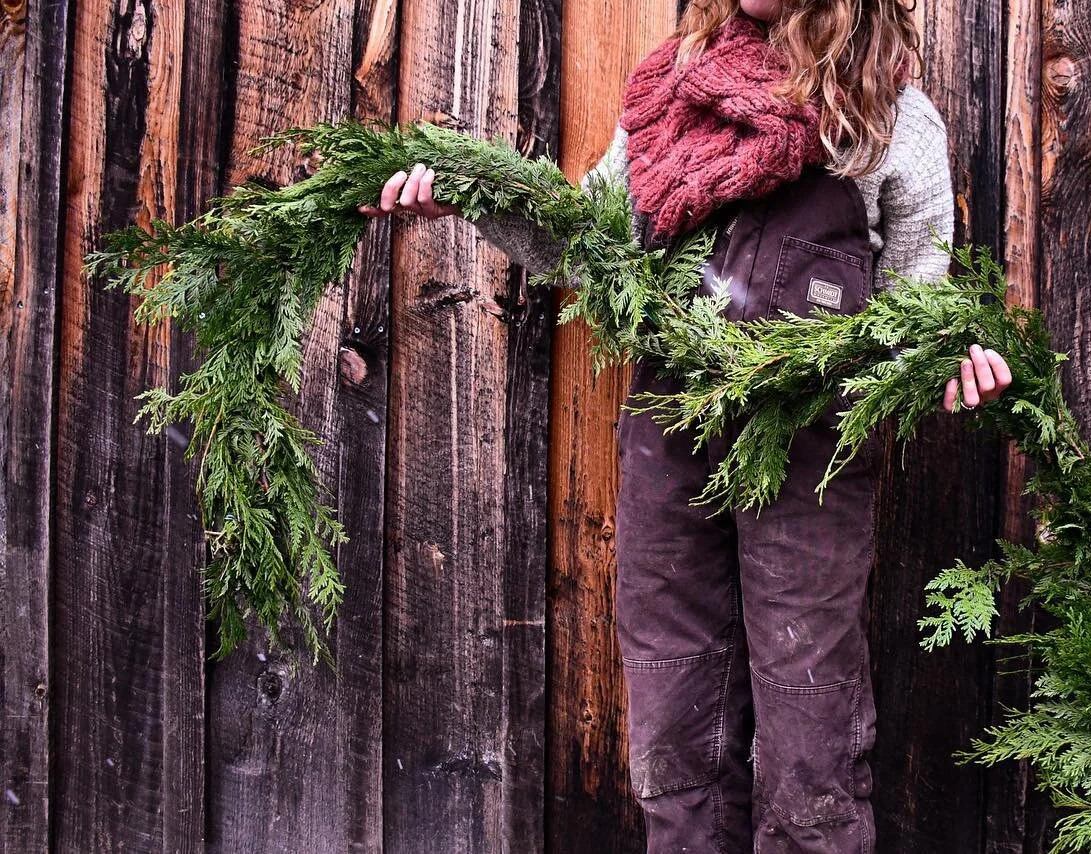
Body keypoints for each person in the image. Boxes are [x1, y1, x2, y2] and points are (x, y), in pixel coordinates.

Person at [362, 1, 1011, 850]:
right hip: (669, 440)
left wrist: (947, 354)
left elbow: (912, 307)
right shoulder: (676, 89)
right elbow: (583, 246)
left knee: (810, 713)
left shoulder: (890, 120)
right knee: (674, 702)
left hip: (810, 458)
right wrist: (473, 193)